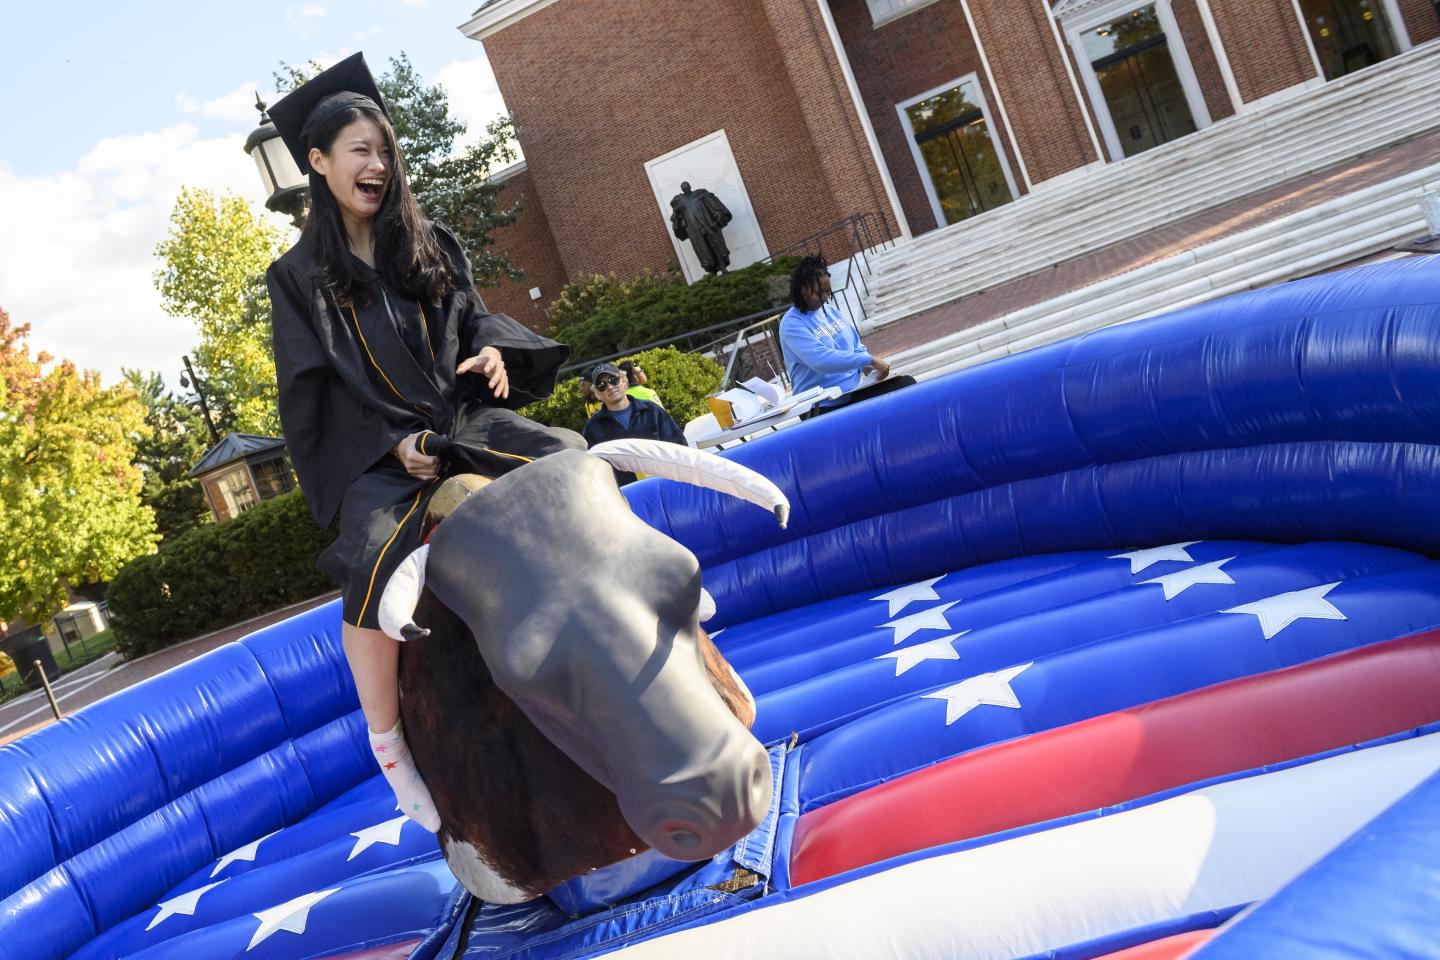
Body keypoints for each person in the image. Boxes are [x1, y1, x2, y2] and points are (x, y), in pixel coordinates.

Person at [265, 54, 584, 831]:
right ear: (318, 162)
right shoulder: (296, 277)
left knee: (569, 461)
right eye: (359, 151)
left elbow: (473, 317)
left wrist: (496, 354)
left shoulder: (427, 236)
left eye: (384, 149)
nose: (377, 164)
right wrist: (390, 443)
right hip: (382, 454)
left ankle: (645, 605)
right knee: (370, 566)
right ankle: (389, 744)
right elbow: (310, 390)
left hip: (463, 418)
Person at [778, 256, 914, 417]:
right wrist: (868, 360)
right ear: (803, 289)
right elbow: (821, 361)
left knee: (906, 386)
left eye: (828, 291)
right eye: (819, 293)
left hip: (853, 393)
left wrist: (870, 370)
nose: (825, 297)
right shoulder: (791, 324)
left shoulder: (830, 311)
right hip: (822, 407)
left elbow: (856, 347)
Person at [582, 362, 686, 484]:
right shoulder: (592, 428)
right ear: (597, 393)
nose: (609, 387)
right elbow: (594, 471)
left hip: (665, 485)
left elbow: (680, 448)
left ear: (625, 382)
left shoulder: (653, 411)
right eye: (602, 385)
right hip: (626, 496)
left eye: (613, 380)